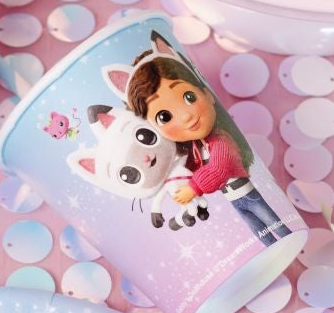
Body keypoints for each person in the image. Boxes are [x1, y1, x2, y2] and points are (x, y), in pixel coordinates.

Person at [124, 39, 298, 250]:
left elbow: (219, 168)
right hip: (235, 201)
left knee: (277, 227)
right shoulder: (197, 148)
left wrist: (194, 188)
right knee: (262, 236)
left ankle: (292, 247)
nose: (187, 116)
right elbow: (195, 169)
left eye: (189, 97)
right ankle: (277, 253)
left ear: (206, 94)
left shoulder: (220, 140)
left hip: (248, 195)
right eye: (164, 116)